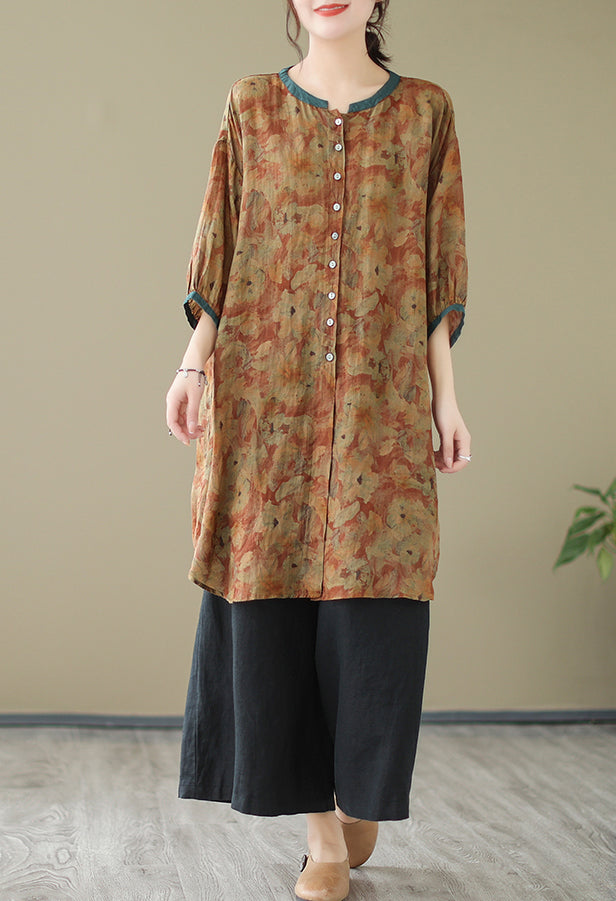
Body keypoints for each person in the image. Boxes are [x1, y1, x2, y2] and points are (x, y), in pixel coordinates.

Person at [165, 2, 471, 899]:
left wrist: (446, 400)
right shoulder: (251, 106)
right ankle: (323, 836)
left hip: (381, 403)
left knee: (375, 604)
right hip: (266, 404)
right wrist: (190, 364)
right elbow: (220, 244)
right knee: (273, 603)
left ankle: (355, 791)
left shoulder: (425, 113)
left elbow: (438, 264)